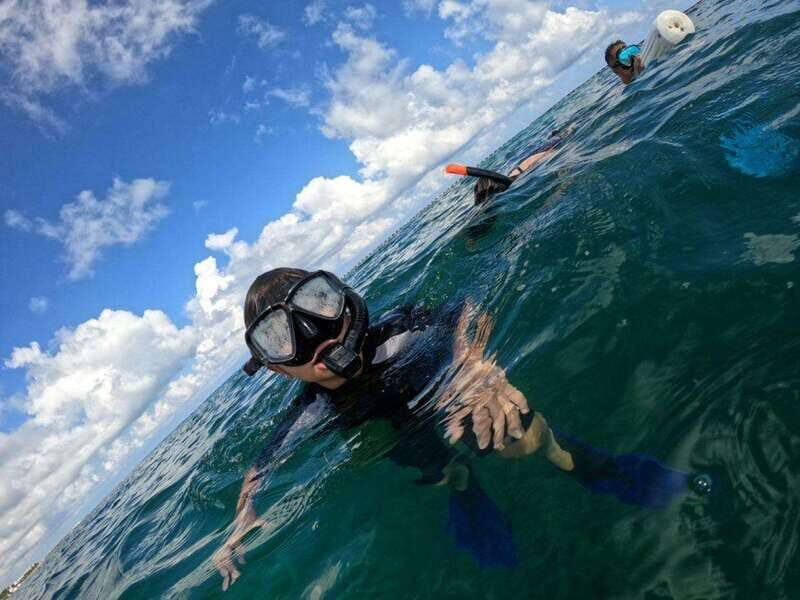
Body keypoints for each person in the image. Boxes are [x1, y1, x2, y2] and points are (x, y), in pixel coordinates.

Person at [213, 268, 692, 590]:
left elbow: (466, 309)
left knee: (515, 432)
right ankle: (460, 482)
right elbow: (262, 465)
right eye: (279, 337)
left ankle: (574, 459)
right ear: (277, 367)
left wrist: (474, 367)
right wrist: (243, 518)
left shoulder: (400, 331)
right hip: (390, 429)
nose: (312, 333)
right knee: (437, 470)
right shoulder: (311, 410)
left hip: (440, 390)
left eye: (316, 304)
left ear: (341, 297)